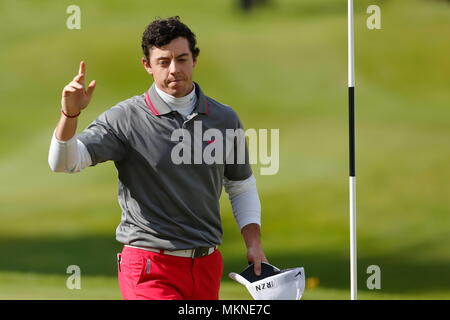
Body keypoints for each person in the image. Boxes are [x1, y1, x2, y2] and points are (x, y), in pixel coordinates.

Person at [48, 16, 267, 300]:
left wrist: (254, 243)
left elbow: (240, 185)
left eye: (182, 59)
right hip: (150, 266)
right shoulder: (125, 119)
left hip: (206, 265)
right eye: (163, 62)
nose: (174, 70)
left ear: (195, 59)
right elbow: (64, 162)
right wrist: (70, 115)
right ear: (147, 66)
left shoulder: (224, 118)